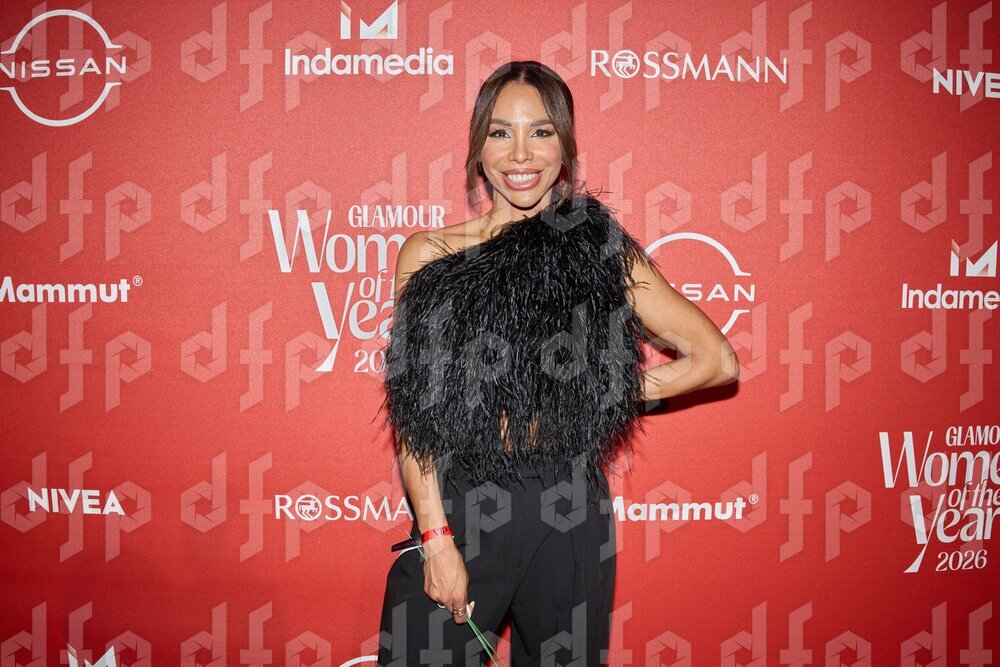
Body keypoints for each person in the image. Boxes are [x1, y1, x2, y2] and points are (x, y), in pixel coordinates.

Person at [376, 60, 739, 666]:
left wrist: (595, 393)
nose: (521, 153)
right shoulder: (430, 253)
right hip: (464, 497)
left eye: (541, 132)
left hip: (567, 506)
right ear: (478, 148)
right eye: (501, 132)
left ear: (565, 147)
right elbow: (415, 417)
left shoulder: (596, 248)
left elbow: (716, 360)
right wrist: (436, 538)